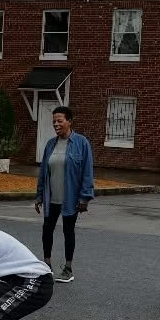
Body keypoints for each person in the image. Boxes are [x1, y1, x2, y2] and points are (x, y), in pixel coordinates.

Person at [34, 105, 95, 284]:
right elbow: (43, 171)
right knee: (47, 230)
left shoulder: (82, 143)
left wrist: (85, 197)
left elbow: (87, 172)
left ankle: (68, 268)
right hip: (51, 197)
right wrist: (39, 196)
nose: (56, 124)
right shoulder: (50, 144)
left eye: (59, 121)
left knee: (68, 231)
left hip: (70, 198)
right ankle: (47, 266)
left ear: (69, 121)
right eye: (54, 121)